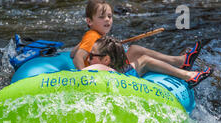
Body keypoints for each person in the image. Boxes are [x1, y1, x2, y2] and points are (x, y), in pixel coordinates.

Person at [71, 0, 205, 76]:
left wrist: (82, 45)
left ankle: (179, 61)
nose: (107, 20)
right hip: (103, 72)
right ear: (89, 21)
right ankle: (180, 63)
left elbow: (72, 53)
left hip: (105, 66)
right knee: (142, 58)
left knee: (134, 49)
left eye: (110, 16)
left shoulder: (93, 35)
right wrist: (83, 76)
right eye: (101, 17)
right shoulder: (92, 36)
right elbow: (77, 56)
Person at [84, 36, 213, 87]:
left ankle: (183, 65)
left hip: (122, 78)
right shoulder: (102, 67)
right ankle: (186, 71)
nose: (88, 59)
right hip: (122, 77)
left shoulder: (101, 67)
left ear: (106, 59)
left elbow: (92, 69)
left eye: (91, 56)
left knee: (134, 49)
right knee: (144, 60)